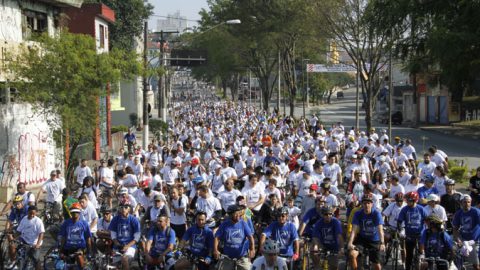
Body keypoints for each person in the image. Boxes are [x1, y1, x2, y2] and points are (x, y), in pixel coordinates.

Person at [347, 194, 385, 270]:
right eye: (364, 203)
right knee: (352, 254)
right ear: (362, 204)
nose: (366, 205)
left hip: (375, 240)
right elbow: (354, 230)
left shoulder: (376, 214)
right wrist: (350, 243)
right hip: (362, 239)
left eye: (368, 203)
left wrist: (382, 243)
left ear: (372, 204)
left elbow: (380, 230)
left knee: (377, 265)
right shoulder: (358, 214)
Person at [214, 204, 255, 270]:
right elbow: (217, 237)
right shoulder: (224, 224)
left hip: (242, 258)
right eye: (236, 214)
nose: (238, 215)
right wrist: (215, 250)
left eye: (239, 213)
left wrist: (252, 249)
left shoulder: (243, 223)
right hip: (227, 258)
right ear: (230, 215)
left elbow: (250, 237)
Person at [397, 191, 428, 270]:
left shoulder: (421, 209)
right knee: (409, 256)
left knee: (423, 253)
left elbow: (428, 220)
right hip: (409, 235)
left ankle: (422, 254)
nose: (407, 202)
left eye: (409, 200)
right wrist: (401, 230)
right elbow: (399, 221)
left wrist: (428, 229)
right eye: (407, 200)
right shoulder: (405, 209)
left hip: (420, 234)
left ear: (414, 200)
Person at [7, 206, 44, 270]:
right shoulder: (24, 219)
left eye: (34, 214)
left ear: (36, 213)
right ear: (28, 212)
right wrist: (13, 237)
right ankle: (13, 262)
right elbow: (19, 231)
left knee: (36, 259)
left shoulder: (38, 221)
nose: (32, 215)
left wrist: (37, 244)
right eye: (30, 213)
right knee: (11, 246)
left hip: (34, 243)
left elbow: (41, 233)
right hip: (23, 240)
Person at [108, 198, 141, 270]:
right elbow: (113, 235)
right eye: (121, 207)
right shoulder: (115, 219)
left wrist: (127, 246)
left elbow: (137, 237)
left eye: (126, 207)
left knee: (124, 259)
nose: (123, 209)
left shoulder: (134, 220)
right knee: (113, 267)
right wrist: (117, 244)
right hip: (118, 246)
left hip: (130, 247)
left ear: (129, 209)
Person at [59, 203, 93, 269]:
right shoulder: (66, 223)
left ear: (79, 212)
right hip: (68, 248)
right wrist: (61, 250)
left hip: (80, 248)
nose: (75, 214)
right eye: (73, 212)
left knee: (80, 260)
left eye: (76, 212)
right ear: (70, 213)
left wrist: (89, 251)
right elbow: (63, 237)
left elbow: (88, 238)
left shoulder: (84, 223)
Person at [452, 194, 480, 270]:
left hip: (474, 241)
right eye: (465, 202)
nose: (467, 204)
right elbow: (455, 229)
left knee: (476, 266)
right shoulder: (458, 213)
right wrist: (458, 239)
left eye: (468, 202)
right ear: (461, 203)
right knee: (452, 252)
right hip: (463, 240)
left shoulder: (476, 212)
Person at [311, 206, 344, 270]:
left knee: (334, 267)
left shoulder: (336, 222)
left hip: (334, 247)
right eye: (326, 214)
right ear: (322, 215)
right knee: (312, 250)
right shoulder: (318, 223)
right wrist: (315, 245)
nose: (328, 216)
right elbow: (315, 237)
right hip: (323, 245)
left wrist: (341, 248)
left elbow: (339, 236)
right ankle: (318, 266)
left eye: (330, 214)